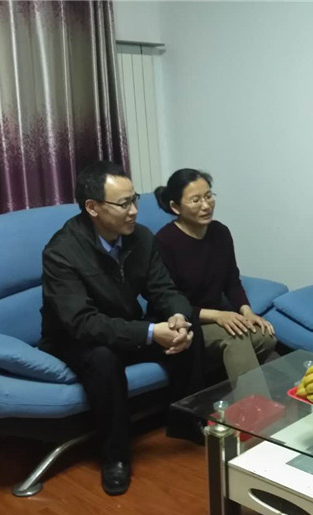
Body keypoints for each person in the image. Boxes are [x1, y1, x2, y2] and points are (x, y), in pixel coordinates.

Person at [39, 161, 204, 496]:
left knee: (191, 332)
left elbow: (164, 289)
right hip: (76, 339)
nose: (134, 211)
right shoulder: (62, 252)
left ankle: (184, 422)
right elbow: (82, 322)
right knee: (104, 359)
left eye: (135, 199)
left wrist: (177, 317)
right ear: (92, 207)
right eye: (124, 203)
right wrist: (148, 332)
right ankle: (115, 456)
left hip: (125, 327)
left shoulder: (140, 238)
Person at [154, 169, 276, 385]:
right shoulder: (164, 241)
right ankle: (255, 405)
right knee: (236, 338)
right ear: (175, 207)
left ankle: (227, 392)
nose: (206, 205)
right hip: (184, 321)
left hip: (217, 314)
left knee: (265, 336)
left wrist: (247, 311)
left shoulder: (220, 232)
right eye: (196, 200)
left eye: (209, 196)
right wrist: (218, 316)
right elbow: (167, 300)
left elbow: (232, 281)